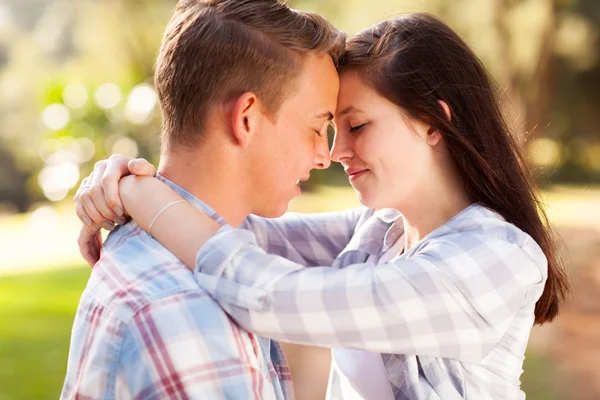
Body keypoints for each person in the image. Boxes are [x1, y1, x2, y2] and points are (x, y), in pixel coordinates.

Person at [76, 12, 570, 400]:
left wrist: (140, 193)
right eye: (327, 126)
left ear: (432, 123)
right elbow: (228, 225)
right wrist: (123, 178)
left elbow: (268, 294)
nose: (333, 152)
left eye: (356, 126)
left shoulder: (498, 259)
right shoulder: (384, 232)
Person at [61, 0, 346, 398]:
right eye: (317, 128)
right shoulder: (188, 316)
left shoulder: (159, 251)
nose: (324, 155)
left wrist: (130, 187)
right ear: (246, 118)